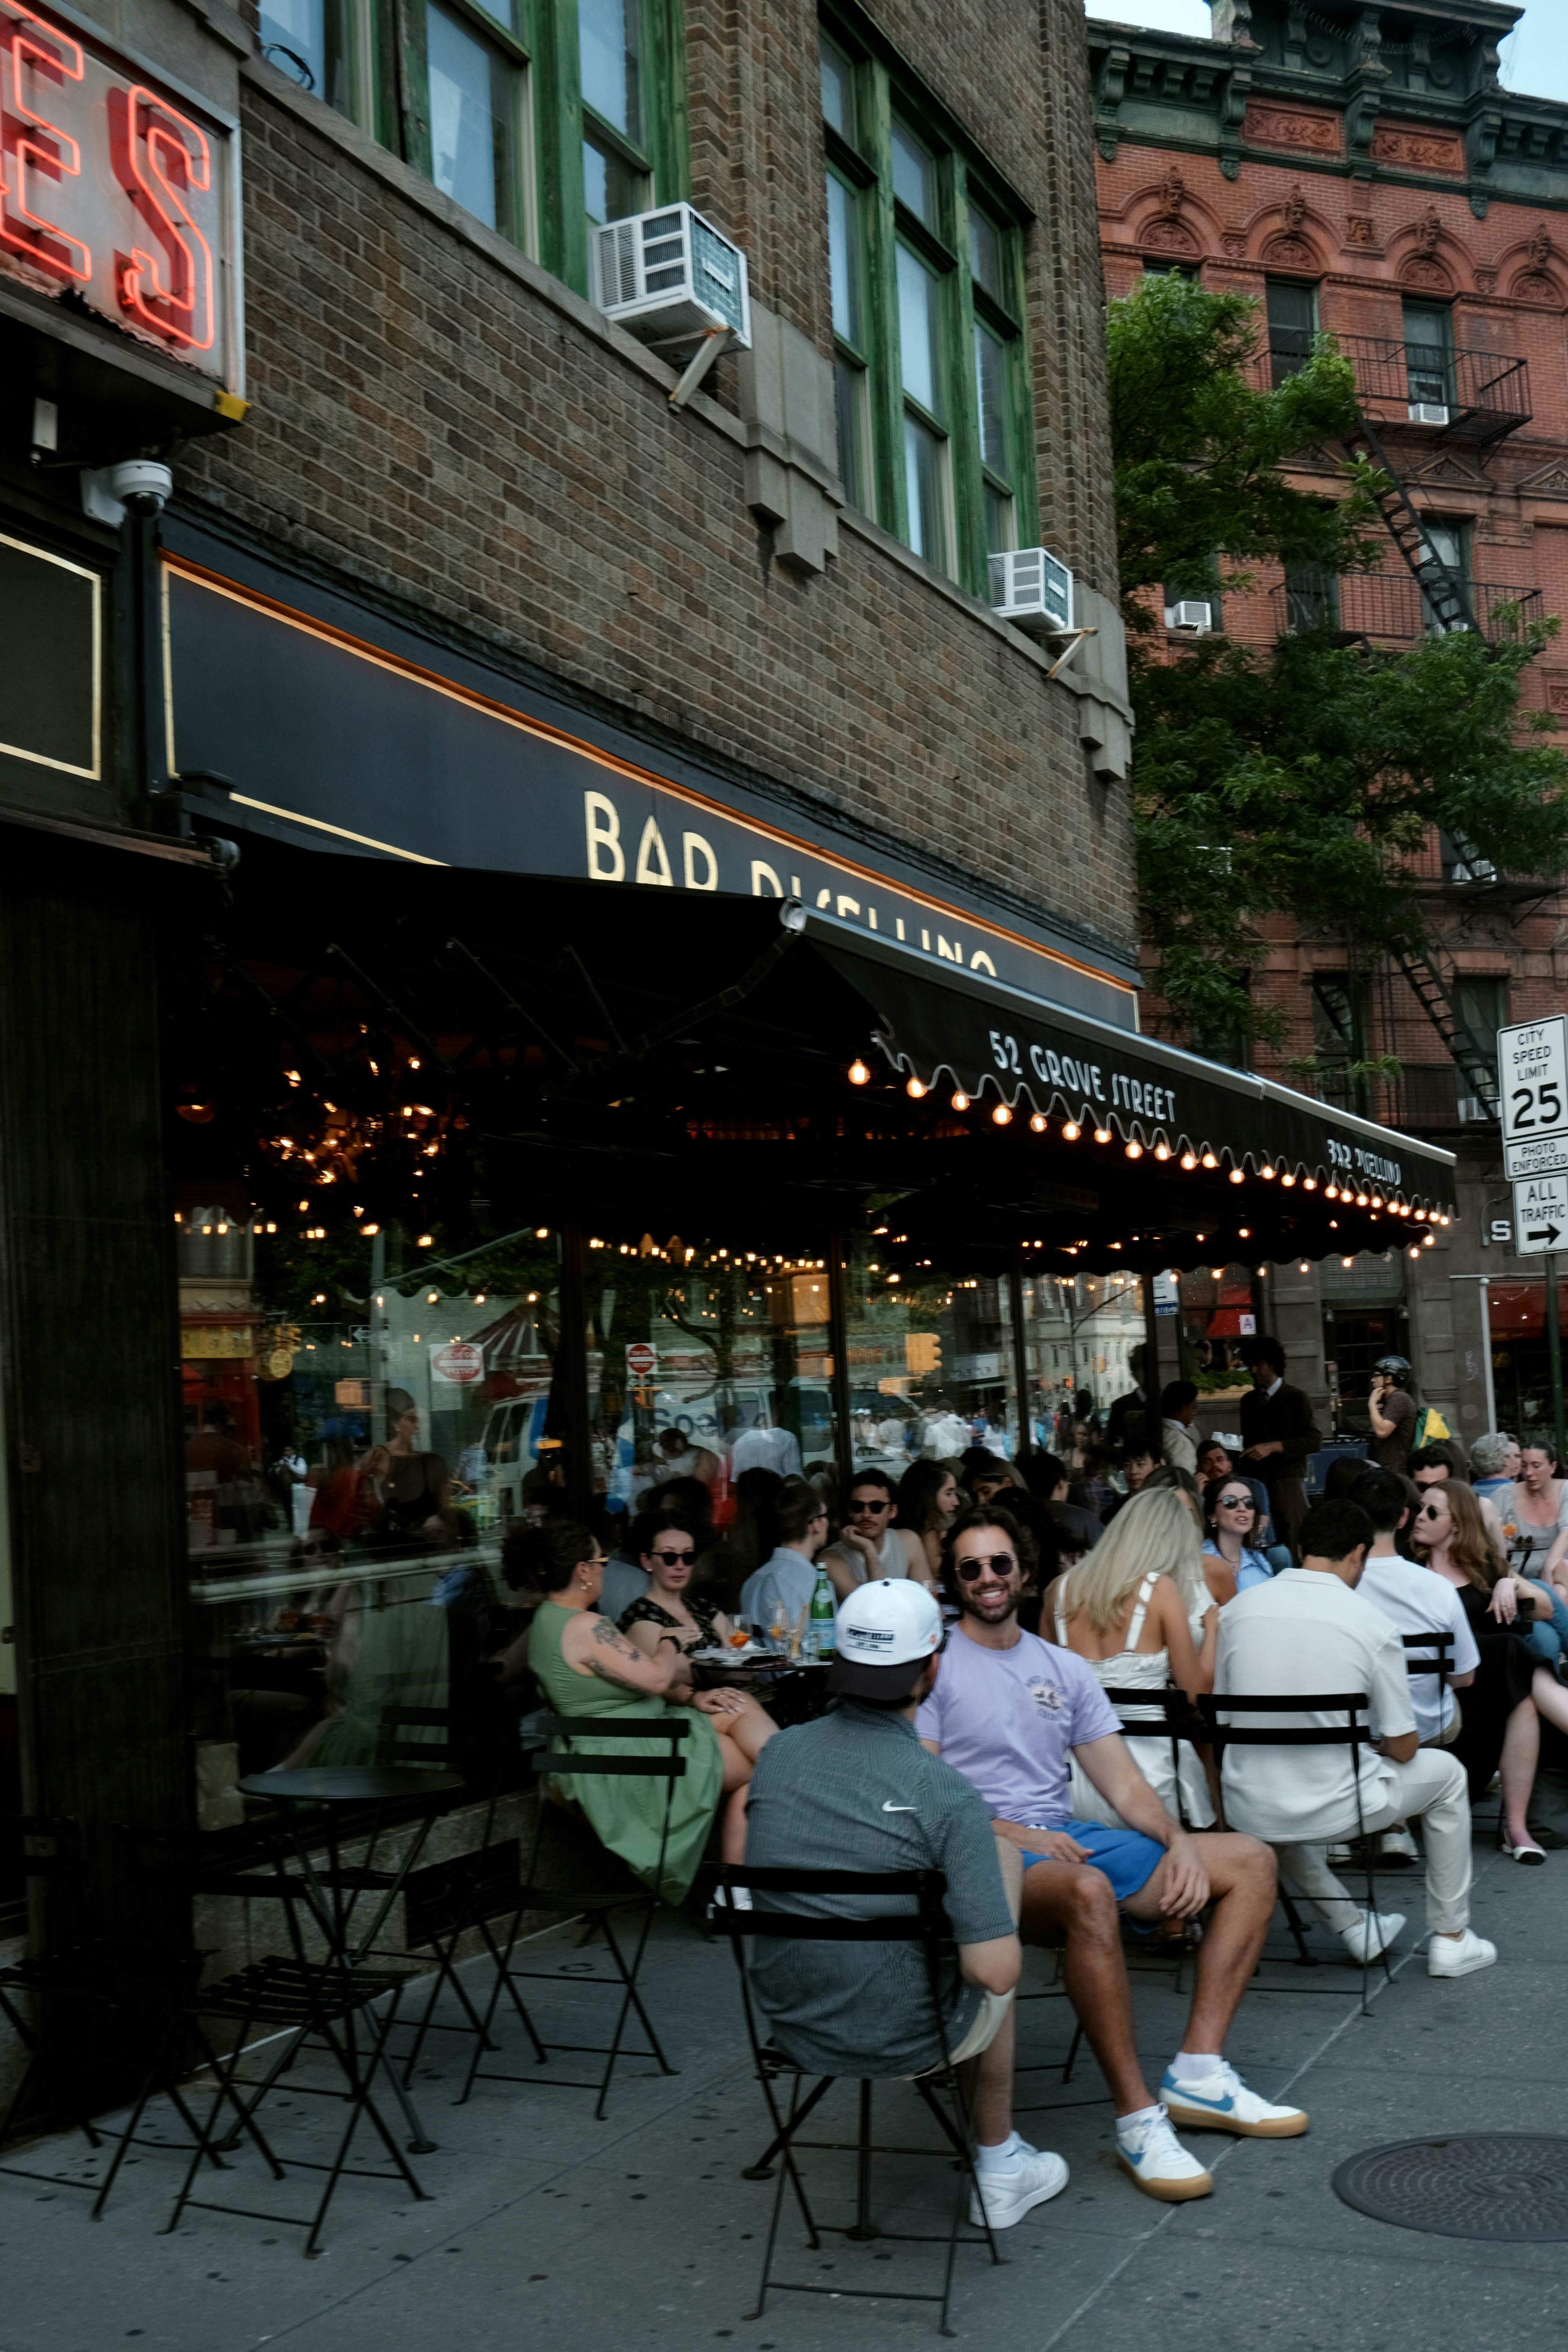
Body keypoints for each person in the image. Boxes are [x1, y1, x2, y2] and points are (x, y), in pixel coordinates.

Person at [919, 1504, 1307, 2203]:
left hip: (1065, 1838)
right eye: (970, 1568)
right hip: (986, 1853)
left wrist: (1179, 1841)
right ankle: (1138, 2121)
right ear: (955, 1581)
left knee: (1249, 1861)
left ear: (1025, 1572)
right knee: (1088, 1892)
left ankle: (1198, 2071)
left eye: (999, 1564)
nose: (988, 1579)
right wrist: (1012, 1833)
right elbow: (924, 1791)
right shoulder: (936, 1667)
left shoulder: (1061, 1668)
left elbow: (1123, 1781)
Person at [743, 1579, 1067, 2232]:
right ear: (933, 1668)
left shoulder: (778, 1757)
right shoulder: (945, 1794)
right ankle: (999, 2164)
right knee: (994, 1924)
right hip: (909, 2033)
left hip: (791, 2023)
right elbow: (996, 1975)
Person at [1214, 1498, 1495, 1976]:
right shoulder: (1369, 1621)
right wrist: (1372, 1746)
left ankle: (1351, 1925)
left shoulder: (1236, 1610)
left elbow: (1224, 1720)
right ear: (1359, 1554)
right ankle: (1450, 1936)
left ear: (1301, 1547)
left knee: (1278, 1794)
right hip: (1337, 1803)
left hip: (1246, 1803)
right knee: (1448, 1777)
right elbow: (1405, 1747)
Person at [522, 1519, 732, 1886]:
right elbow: (657, 1678)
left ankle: (733, 1885)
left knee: (737, 1715)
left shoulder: (545, 1619)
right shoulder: (586, 1626)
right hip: (631, 1759)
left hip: (608, 1750)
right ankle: (737, 1888)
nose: (605, 1570)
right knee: (757, 1768)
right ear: (583, 1572)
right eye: (601, 1563)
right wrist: (669, 1640)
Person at [1410, 1478, 1568, 1864]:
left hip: (1487, 1711)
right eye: (1419, 1508)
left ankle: (1515, 1829)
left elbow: (1545, 1609)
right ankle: (1514, 1829)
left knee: (1519, 1684)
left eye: (1431, 1512)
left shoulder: (1484, 1567)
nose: (1419, 1517)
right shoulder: (1409, 1571)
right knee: (1511, 1654)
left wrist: (1506, 1585)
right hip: (1436, 1705)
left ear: (1458, 1524)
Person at [1042, 1489, 1217, 1830]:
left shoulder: (1058, 1592)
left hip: (1074, 1777)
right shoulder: (1160, 1590)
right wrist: (1211, 1632)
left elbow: (1046, 1695)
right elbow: (1197, 1693)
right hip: (1151, 1776)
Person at [618, 1511, 776, 1788]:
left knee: (755, 1769)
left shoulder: (703, 1607)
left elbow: (745, 1653)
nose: (680, 1565)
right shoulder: (641, 1617)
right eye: (670, 1557)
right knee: (754, 1747)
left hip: (718, 1704)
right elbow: (676, 1674)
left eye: (688, 1557)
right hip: (680, 1712)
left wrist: (732, 1662)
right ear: (647, 1561)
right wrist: (727, 1665)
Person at [1239, 1337, 1320, 1559]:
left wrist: (1275, 1447)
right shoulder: (1248, 1401)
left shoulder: (1296, 1398)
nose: (1253, 1371)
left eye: (1259, 1365)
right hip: (1256, 1484)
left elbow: (1314, 1440)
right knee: (1259, 1544)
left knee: (1293, 1543)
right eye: (1250, 1365)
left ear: (1273, 1364)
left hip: (1288, 1485)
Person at [739, 1476, 830, 1651]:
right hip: (804, 1676)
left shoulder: (753, 1580)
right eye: (826, 1515)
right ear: (816, 1524)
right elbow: (824, 1648)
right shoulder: (816, 1584)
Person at [820, 1467, 932, 1599]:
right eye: (858, 1507)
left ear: (893, 1512)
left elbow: (929, 1600)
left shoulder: (909, 1541)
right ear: (849, 1511)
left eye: (876, 1507)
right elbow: (876, 1606)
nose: (866, 1514)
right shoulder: (830, 1560)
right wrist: (869, 1550)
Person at [1201, 1475, 1275, 1603]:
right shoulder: (1197, 1562)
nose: (1242, 1508)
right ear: (1212, 1515)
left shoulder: (1262, 1563)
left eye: (1249, 1503)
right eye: (1230, 1502)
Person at [896, 1458, 961, 1583]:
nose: (956, 1502)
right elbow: (942, 1574)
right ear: (928, 1496)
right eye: (949, 1494)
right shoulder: (929, 1534)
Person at [1366, 1356, 1418, 1478]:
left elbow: (1382, 1431)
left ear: (1389, 1379)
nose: (1373, 1380)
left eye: (1376, 1376)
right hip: (1393, 1466)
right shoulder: (1393, 1399)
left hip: (1397, 1469)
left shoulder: (1399, 1399)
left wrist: (1372, 1404)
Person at [1105, 1349, 1149, 1453]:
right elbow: (1111, 1442)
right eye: (1144, 1368)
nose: (1149, 1373)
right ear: (1134, 1373)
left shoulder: (1163, 1401)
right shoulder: (1120, 1406)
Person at [1159, 1382, 1200, 1476]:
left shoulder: (1159, 1430)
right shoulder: (1180, 1442)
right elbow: (1184, 1478)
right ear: (1182, 1409)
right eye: (1193, 1408)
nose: (1195, 1414)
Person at [1468, 1431, 1519, 1504]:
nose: (1516, 1461)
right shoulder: (1519, 1493)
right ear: (1505, 1460)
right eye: (1513, 1456)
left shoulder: (1469, 1493)